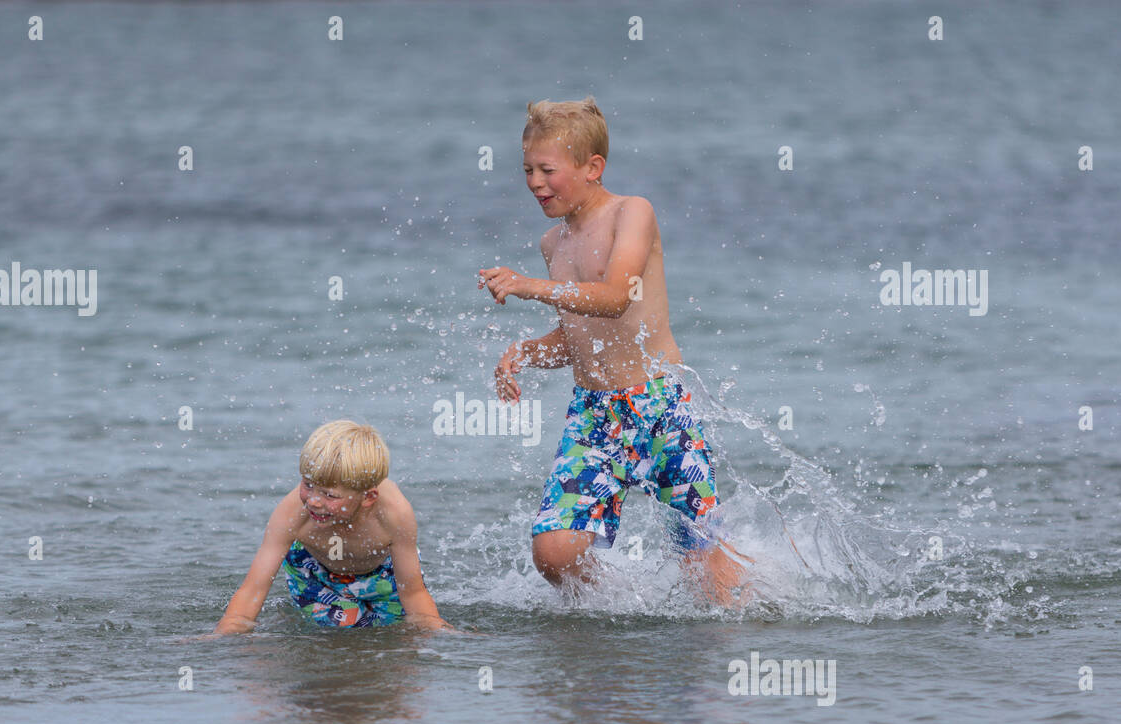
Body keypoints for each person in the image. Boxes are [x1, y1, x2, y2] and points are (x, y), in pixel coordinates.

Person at [481, 96, 749, 604]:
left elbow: (614, 297)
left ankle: (754, 616)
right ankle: (631, 607)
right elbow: (577, 334)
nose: (535, 182)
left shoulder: (633, 213)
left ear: (592, 167)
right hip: (593, 414)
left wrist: (524, 285)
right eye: (527, 170)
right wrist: (526, 353)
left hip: (656, 405)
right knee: (554, 553)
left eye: (547, 170)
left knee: (705, 572)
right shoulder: (551, 244)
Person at [213, 420, 450, 633]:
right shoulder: (292, 512)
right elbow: (253, 589)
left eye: (329, 495)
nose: (313, 501)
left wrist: (442, 634)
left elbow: (413, 593)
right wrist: (224, 635)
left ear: (368, 497)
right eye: (307, 484)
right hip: (315, 571)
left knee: (394, 634)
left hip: (380, 571)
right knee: (338, 632)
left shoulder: (394, 514)